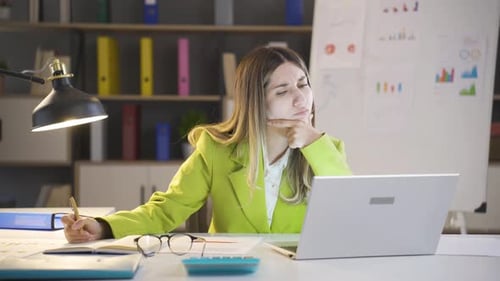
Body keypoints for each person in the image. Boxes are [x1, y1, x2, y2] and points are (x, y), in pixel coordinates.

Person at [62, 45, 352, 243]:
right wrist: (103, 227)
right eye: (283, 90)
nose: (301, 99)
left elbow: (349, 213)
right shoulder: (216, 150)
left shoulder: (325, 150)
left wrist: (313, 143)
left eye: (303, 84)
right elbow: (165, 211)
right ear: (257, 102)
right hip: (234, 273)